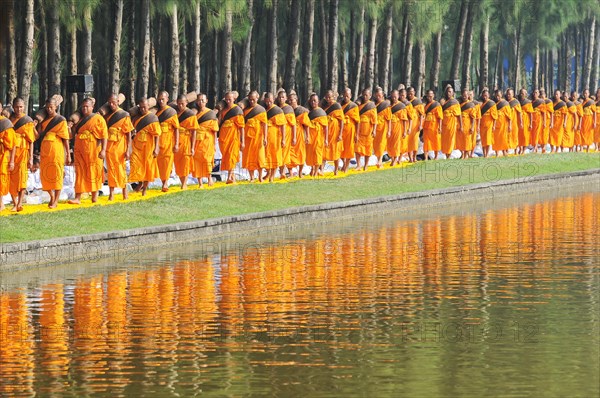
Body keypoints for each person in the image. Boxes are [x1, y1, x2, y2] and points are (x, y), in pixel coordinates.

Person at [68, 97, 108, 204]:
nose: (85, 108)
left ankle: (94, 196)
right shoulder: (78, 120)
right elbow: (71, 135)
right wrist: (69, 128)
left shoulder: (98, 119)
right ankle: (77, 198)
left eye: (87, 106)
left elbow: (104, 135)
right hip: (79, 148)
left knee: (93, 171)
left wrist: (103, 150)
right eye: (83, 106)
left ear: (92, 107)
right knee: (79, 172)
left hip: (93, 149)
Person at [37, 97, 70, 208]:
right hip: (45, 150)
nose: (49, 109)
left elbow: (65, 138)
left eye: (51, 107)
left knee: (57, 175)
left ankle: (55, 200)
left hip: (57, 150)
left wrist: (68, 155)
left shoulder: (61, 120)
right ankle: (51, 196)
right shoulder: (44, 120)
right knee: (45, 175)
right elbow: (39, 134)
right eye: (47, 108)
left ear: (56, 107)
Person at [104, 94, 134, 201]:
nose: (112, 105)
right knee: (110, 170)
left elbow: (128, 134)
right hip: (109, 147)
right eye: (110, 103)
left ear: (118, 101)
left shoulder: (124, 115)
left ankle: (124, 193)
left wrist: (128, 150)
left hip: (120, 146)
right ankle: (111, 194)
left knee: (121, 170)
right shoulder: (107, 116)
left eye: (114, 102)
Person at [129, 98, 161, 196]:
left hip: (148, 147)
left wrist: (156, 148)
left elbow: (157, 135)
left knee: (147, 167)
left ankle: (144, 189)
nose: (143, 109)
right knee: (136, 165)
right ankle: (140, 183)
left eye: (145, 107)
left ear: (148, 106)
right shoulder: (136, 118)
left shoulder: (152, 118)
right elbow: (132, 130)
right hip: (137, 146)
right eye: (141, 107)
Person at [8, 98, 35, 211]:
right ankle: (14, 203)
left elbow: (31, 140)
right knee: (11, 179)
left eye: (21, 107)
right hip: (10, 153)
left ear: (24, 107)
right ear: (13, 107)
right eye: (16, 107)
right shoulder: (9, 120)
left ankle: (20, 203)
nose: (19, 109)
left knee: (22, 178)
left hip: (23, 152)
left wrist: (31, 158)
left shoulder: (27, 120)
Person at [192, 93, 219, 187]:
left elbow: (215, 130)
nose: (201, 102)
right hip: (197, 140)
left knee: (207, 159)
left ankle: (209, 178)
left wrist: (215, 143)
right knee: (197, 161)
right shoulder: (195, 113)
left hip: (208, 140)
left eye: (203, 100)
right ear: (196, 101)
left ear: (206, 100)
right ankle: (200, 182)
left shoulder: (211, 113)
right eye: (199, 100)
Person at [218, 91, 245, 184]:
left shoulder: (237, 110)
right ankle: (232, 178)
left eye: (230, 99)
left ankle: (229, 176)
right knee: (226, 156)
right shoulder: (223, 110)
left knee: (231, 157)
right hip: (223, 137)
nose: (229, 101)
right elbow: (219, 123)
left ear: (234, 99)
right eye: (227, 99)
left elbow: (241, 127)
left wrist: (242, 141)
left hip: (233, 138)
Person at [155, 91, 179, 192]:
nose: (161, 101)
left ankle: (165, 183)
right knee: (159, 164)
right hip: (157, 143)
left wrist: (177, 143)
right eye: (159, 99)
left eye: (163, 99)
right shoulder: (155, 112)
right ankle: (162, 181)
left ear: (167, 100)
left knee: (167, 163)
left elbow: (176, 128)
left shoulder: (171, 112)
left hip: (168, 143)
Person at [174, 95, 199, 189]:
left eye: (182, 104)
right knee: (178, 163)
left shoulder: (190, 114)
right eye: (179, 103)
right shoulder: (174, 113)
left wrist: (192, 147)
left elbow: (194, 131)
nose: (180, 106)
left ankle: (184, 183)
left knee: (185, 162)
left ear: (186, 103)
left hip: (186, 141)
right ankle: (182, 182)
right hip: (175, 141)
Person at [242, 91, 267, 182]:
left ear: (257, 98)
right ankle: (252, 177)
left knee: (259, 157)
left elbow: (265, 124)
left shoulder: (261, 110)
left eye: (253, 99)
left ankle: (260, 176)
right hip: (248, 137)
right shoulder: (245, 110)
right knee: (249, 157)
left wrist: (265, 137)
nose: (252, 101)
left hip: (259, 137)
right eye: (250, 99)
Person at [263, 92, 286, 182]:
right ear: (265, 100)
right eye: (267, 101)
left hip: (275, 137)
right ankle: (268, 172)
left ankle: (272, 176)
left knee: (275, 156)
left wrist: (283, 139)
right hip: (265, 137)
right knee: (265, 156)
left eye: (271, 101)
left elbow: (283, 125)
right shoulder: (263, 110)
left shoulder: (277, 110)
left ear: (273, 100)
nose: (269, 103)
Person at [306, 93, 328, 177]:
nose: (313, 102)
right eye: (311, 101)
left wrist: (326, 139)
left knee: (318, 153)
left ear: (318, 101)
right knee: (311, 153)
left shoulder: (321, 112)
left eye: (315, 100)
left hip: (319, 137)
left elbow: (326, 127)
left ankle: (316, 171)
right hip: (311, 136)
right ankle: (313, 169)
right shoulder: (309, 112)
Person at [276, 90, 296, 178]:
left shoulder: (288, 109)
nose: (281, 99)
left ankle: (284, 172)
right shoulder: (276, 108)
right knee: (278, 153)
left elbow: (293, 124)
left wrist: (294, 137)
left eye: (283, 97)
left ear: (286, 98)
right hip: (277, 134)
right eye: (280, 97)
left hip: (287, 134)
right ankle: (281, 173)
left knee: (285, 153)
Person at [288, 90, 309, 177]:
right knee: (289, 153)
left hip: (299, 135)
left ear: (296, 100)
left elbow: (306, 125)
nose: (290, 102)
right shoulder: (287, 110)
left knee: (301, 153)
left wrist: (307, 136)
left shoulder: (301, 110)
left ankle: (300, 172)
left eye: (292, 100)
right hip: (289, 135)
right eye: (289, 100)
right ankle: (291, 173)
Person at [323, 90, 344, 175]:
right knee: (324, 150)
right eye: (327, 97)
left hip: (335, 132)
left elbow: (342, 121)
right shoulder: (324, 106)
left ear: (333, 97)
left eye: (330, 97)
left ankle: (335, 169)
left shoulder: (336, 106)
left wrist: (340, 134)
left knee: (335, 151)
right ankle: (321, 169)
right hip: (326, 132)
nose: (328, 99)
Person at [0, 102, 16, 212]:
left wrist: (12, 161)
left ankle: (1, 204)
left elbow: (13, 144)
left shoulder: (5, 123)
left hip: (2, 155)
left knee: (1, 179)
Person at [356, 88, 377, 170]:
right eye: (363, 95)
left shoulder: (371, 106)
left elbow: (375, 120)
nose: (365, 97)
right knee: (357, 148)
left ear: (370, 96)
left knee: (368, 149)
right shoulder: (359, 105)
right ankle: (358, 165)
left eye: (366, 95)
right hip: (359, 130)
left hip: (368, 131)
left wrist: (374, 130)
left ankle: (366, 165)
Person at [340, 88, 359, 172]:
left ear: (350, 96)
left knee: (349, 149)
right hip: (341, 130)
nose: (346, 97)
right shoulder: (340, 105)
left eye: (347, 96)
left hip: (350, 130)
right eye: (344, 96)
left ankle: (346, 166)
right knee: (340, 148)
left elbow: (357, 121)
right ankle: (344, 163)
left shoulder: (353, 106)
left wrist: (357, 134)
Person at [441, 85, 463, 159]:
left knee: (450, 139)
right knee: (445, 140)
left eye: (450, 92)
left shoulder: (455, 102)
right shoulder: (443, 102)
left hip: (452, 123)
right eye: (447, 92)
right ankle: (446, 154)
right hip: (444, 124)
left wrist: (461, 125)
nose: (448, 93)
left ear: (453, 93)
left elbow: (459, 114)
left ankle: (449, 155)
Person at [387, 90, 408, 165]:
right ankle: (392, 158)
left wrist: (405, 131)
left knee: (396, 143)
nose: (394, 98)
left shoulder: (401, 106)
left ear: (398, 96)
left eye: (395, 97)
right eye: (392, 97)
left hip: (397, 127)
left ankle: (395, 159)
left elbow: (404, 119)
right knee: (389, 144)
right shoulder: (389, 105)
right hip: (389, 127)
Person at [373, 86, 391, 168]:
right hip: (375, 127)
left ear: (383, 95)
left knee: (381, 144)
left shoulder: (385, 105)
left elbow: (389, 119)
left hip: (383, 127)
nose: (378, 97)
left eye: (379, 96)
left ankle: (380, 161)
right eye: (377, 96)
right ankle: (378, 160)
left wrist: (389, 130)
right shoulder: (373, 105)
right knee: (376, 145)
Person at [422, 89, 443, 160]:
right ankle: (425, 157)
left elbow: (440, 117)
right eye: (428, 96)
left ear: (433, 96)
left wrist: (440, 127)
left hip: (435, 126)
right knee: (426, 142)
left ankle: (436, 156)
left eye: (431, 96)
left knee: (436, 141)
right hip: (427, 127)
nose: (429, 98)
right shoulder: (425, 105)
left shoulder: (437, 105)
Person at [456, 88, 477, 159]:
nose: (464, 97)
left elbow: (473, 117)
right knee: (460, 141)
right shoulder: (459, 104)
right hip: (460, 125)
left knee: (467, 141)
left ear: (468, 96)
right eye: (463, 95)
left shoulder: (471, 105)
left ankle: (466, 155)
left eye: (466, 95)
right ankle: (462, 154)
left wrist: (472, 127)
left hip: (468, 125)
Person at [407, 87, 424, 163]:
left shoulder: (417, 101)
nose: (410, 94)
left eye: (412, 92)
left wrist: (420, 125)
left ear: (414, 92)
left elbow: (422, 115)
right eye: (409, 92)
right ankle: (410, 158)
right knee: (408, 142)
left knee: (414, 141)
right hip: (407, 124)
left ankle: (414, 157)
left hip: (415, 125)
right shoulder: (406, 102)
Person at [492, 90, 512, 157]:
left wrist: (510, 125)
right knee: (496, 139)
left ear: (501, 95)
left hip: (503, 125)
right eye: (496, 95)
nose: (497, 97)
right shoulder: (493, 104)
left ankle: (504, 152)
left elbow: (509, 116)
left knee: (503, 138)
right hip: (495, 125)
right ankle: (497, 153)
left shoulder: (505, 103)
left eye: (499, 95)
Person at [479, 88, 497, 158]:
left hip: (489, 124)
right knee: (483, 140)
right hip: (482, 124)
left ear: (488, 95)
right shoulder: (481, 104)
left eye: (486, 95)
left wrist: (494, 126)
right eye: (484, 96)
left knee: (488, 140)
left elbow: (495, 116)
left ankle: (487, 154)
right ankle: (484, 154)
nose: (485, 97)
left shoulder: (491, 104)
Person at [506, 88, 522, 154]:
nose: (508, 95)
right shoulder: (505, 103)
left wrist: (521, 122)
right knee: (507, 136)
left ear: (513, 94)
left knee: (514, 136)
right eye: (507, 94)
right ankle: (506, 150)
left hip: (514, 122)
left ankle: (516, 150)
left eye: (509, 94)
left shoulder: (516, 102)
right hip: (506, 122)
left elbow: (519, 113)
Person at [530, 89, 546, 153]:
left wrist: (544, 122)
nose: (535, 94)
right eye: (534, 92)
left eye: (536, 93)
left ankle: (535, 147)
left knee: (536, 133)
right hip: (532, 121)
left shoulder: (541, 102)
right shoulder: (531, 102)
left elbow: (544, 112)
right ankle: (536, 147)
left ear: (539, 94)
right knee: (533, 134)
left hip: (538, 120)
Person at [518, 88, 533, 154]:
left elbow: (530, 114)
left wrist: (531, 123)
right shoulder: (517, 101)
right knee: (518, 135)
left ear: (526, 94)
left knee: (525, 135)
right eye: (521, 93)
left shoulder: (528, 102)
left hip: (525, 120)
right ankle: (520, 148)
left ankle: (523, 150)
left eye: (523, 93)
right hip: (518, 120)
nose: (522, 94)